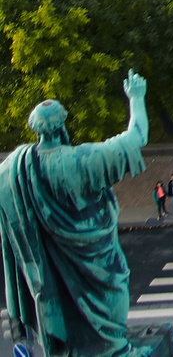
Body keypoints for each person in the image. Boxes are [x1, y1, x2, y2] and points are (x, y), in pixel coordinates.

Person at [0, 71, 151, 354]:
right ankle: (115, 350)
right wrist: (136, 98)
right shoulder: (83, 162)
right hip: (100, 266)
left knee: (69, 318)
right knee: (112, 301)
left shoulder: (11, 171)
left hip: (53, 279)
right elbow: (137, 137)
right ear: (61, 128)